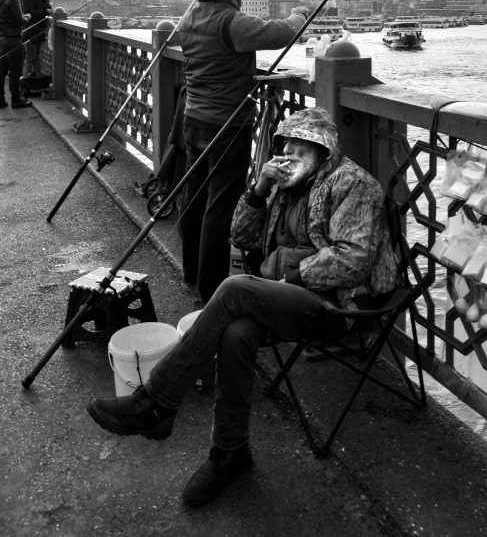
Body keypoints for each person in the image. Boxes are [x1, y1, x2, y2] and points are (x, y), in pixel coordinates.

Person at [87, 106, 396, 507]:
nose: (291, 153)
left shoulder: (351, 183)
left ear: (323, 150)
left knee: (234, 290)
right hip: (280, 297)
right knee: (236, 333)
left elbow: (355, 259)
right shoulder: (283, 185)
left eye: (304, 146)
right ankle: (229, 452)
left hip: (337, 305)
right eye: (287, 144)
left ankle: (156, 402)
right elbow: (240, 235)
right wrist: (259, 189)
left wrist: (291, 279)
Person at [177, 0, 308, 303]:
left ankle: (191, 269)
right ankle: (211, 290)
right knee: (221, 205)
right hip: (225, 123)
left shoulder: (189, 17)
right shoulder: (229, 22)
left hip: (193, 119)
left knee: (196, 195)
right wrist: (299, 14)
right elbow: (278, 33)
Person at [0, 0, 32, 108]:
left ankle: (0, 100)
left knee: (1, 72)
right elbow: (19, 20)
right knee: (15, 71)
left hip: (0, 40)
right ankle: (16, 100)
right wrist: (28, 16)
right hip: (12, 40)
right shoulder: (14, 0)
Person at [22, 0, 55, 75]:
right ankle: (27, 81)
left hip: (40, 32)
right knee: (31, 58)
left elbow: (47, 10)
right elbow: (27, 13)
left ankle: (35, 81)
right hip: (30, 31)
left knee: (37, 58)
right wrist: (45, 11)